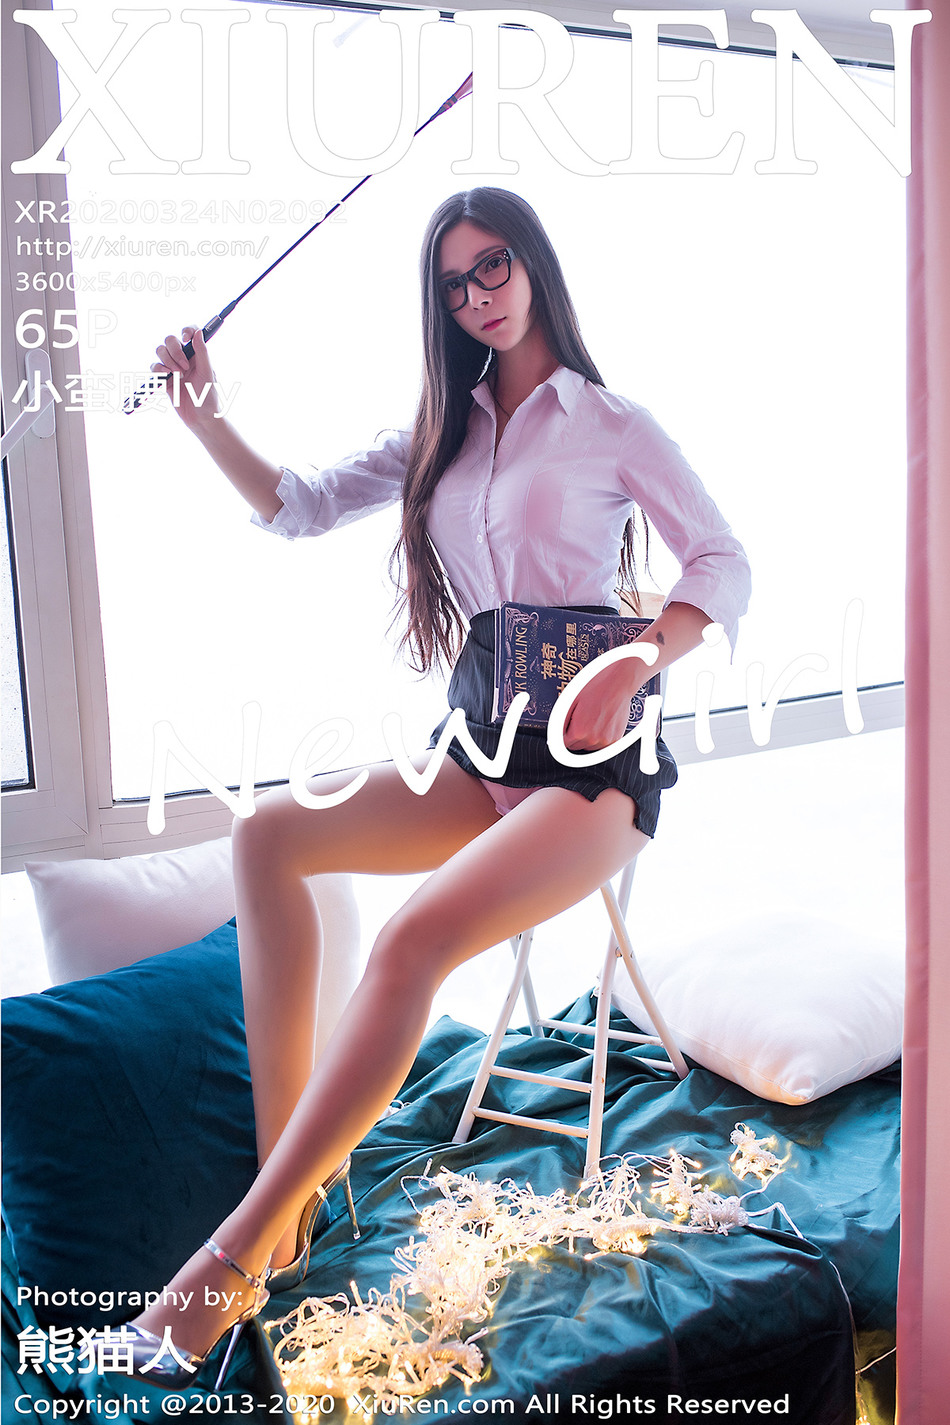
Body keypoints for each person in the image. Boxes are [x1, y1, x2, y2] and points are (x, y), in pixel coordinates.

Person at [110, 187, 750, 1388]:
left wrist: (636, 657)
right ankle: (285, 1198)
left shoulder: (609, 423)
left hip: (591, 769)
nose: (476, 296)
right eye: (454, 285)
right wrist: (204, 418)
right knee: (267, 836)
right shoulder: (441, 433)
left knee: (408, 942)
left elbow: (721, 561)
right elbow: (298, 506)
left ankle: (227, 1265)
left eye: (491, 266)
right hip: (482, 746)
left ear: (532, 263)